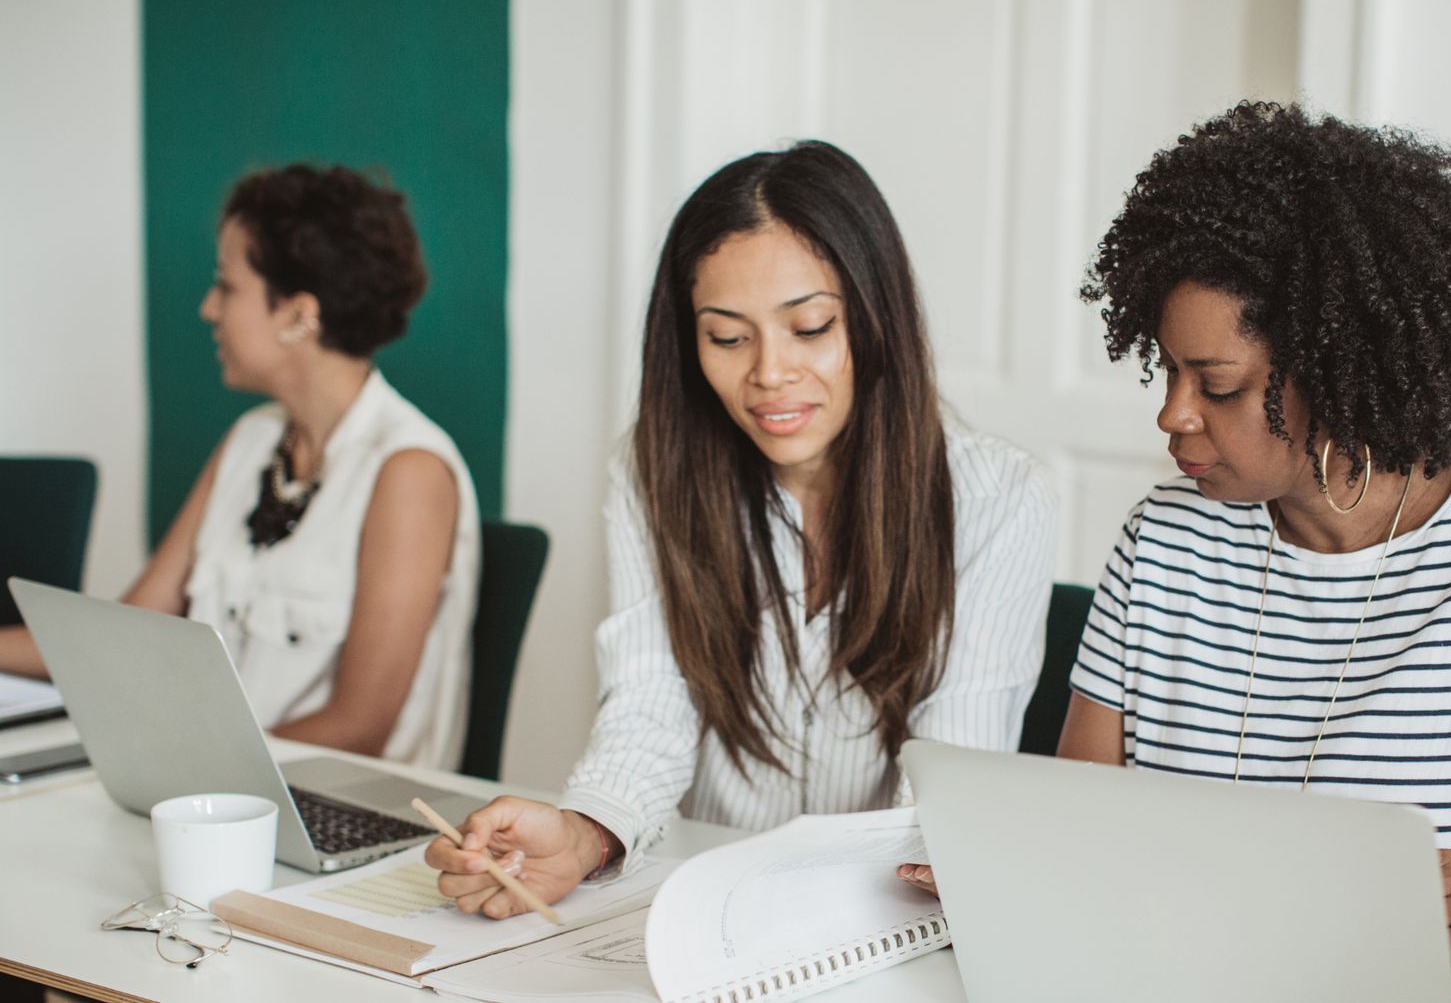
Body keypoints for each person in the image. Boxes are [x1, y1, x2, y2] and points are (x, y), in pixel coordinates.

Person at [903, 102, 1451, 983]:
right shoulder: (1164, 543)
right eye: (1167, 370)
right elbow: (1080, 824)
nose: (1171, 415)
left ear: (1342, 372)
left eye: (1216, 386)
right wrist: (1002, 871)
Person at [426, 141, 1056, 917]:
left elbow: (950, 773)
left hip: (882, 915)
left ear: (874, 317)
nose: (768, 373)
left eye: (811, 327)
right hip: (703, 901)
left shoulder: (998, 496)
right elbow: (650, 702)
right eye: (727, 337)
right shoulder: (652, 473)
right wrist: (586, 834)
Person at [0, 164, 479, 768]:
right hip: (220, 792)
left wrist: (181, 769)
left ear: (298, 314)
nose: (207, 308)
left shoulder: (409, 471)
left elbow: (360, 727)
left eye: (226, 287)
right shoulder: (249, 442)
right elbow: (124, 632)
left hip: (330, 808)